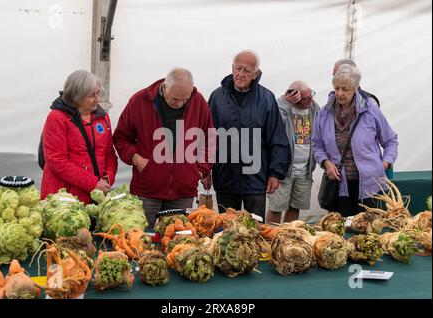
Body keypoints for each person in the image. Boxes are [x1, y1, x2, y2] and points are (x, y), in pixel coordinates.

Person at [113, 68, 214, 227]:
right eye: (175, 99)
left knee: (179, 240)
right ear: (165, 88)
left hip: (183, 192)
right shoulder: (140, 101)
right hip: (147, 190)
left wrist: (200, 169)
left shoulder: (198, 102)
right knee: (142, 240)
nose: (180, 104)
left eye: (185, 99)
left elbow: (209, 139)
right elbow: (121, 137)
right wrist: (136, 158)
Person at [206, 50, 291, 220]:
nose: (241, 74)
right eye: (238, 69)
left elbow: (277, 137)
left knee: (255, 230)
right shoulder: (217, 97)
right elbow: (207, 137)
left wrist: (275, 173)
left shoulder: (266, 98)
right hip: (225, 176)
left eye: (246, 71)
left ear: (255, 74)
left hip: (256, 179)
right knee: (227, 230)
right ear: (232, 69)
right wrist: (205, 170)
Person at [312, 64, 398, 216]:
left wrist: (386, 162)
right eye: (337, 88)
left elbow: (390, 140)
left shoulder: (370, 110)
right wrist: (326, 162)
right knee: (340, 230)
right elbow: (317, 144)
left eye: (345, 89)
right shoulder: (325, 113)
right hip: (339, 185)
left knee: (368, 231)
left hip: (369, 185)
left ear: (355, 88)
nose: (339, 93)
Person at [40, 70, 118, 204]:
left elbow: (109, 154)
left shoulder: (102, 117)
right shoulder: (57, 118)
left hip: (95, 196)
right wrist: (94, 183)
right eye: (91, 95)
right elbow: (57, 162)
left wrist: (107, 179)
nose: (97, 99)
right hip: (64, 199)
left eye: (98, 93)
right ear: (76, 96)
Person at [267, 81, 320, 223]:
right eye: (306, 98)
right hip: (283, 170)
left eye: (311, 95)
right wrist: (285, 103)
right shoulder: (280, 106)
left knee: (295, 207)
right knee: (276, 207)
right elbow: (272, 124)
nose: (311, 100)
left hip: (305, 170)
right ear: (295, 97)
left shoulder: (314, 108)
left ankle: (289, 236)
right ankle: (271, 236)